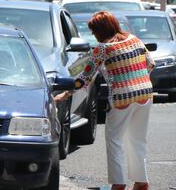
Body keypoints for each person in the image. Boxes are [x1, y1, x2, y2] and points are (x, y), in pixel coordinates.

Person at [55, 11, 154, 190]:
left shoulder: (102, 49)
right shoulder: (134, 39)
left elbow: (84, 77)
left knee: (114, 140)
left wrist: (65, 94)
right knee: (138, 139)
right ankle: (141, 181)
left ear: (100, 30)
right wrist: (137, 79)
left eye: (94, 31)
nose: (93, 35)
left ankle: (119, 183)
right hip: (145, 94)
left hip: (121, 97)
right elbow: (150, 63)